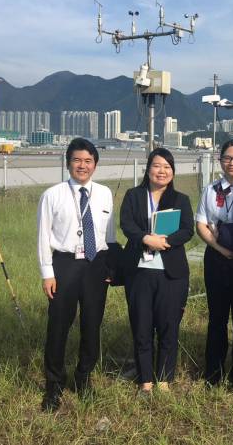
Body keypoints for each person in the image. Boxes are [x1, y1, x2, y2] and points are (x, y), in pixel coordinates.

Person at [36, 138, 115, 412]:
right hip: (65, 265)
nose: (82, 165)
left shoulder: (104, 193)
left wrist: (111, 269)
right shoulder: (53, 194)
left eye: (88, 161)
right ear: (68, 162)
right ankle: (54, 384)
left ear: (95, 165)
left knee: (92, 325)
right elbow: (42, 237)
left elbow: (111, 236)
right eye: (77, 160)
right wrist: (47, 273)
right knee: (58, 325)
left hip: (96, 265)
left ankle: (84, 378)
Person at [120, 148, 194, 396]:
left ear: (172, 172)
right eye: (157, 165)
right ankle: (146, 382)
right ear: (148, 168)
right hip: (139, 271)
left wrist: (164, 242)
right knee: (142, 327)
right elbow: (126, 223)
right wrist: (145, 239)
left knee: (168, 327)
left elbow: (187, 230)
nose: (162, 171)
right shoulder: (133, 195)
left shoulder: (181, 199)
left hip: (171, 273)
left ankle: (163, 380)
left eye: (167, 167)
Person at [195, 140, 233, 390]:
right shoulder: (210, 189)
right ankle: (213, 371)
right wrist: (220, 248)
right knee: (217, 318)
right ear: (220, 161)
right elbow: (201, 224)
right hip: (217, 260)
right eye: (228, 158)